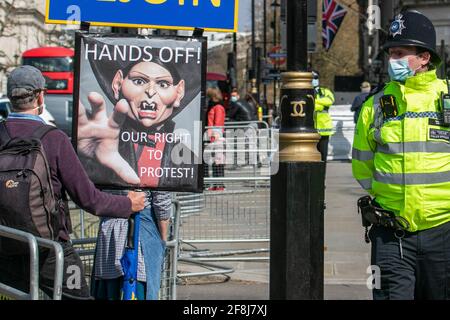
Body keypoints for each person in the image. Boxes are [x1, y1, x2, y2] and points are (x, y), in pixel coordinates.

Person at [0, 65, 146, 300]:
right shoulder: (53, 139)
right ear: (40, 96)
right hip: (50, 250)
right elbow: (90, 199)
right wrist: (128, 205)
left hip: (5, 245)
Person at [352, 10, 450, 300]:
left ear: (424, 57)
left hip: (443, 230)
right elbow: (362, 165)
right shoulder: (375, 105)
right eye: (391, 53)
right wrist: (391, 198)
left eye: (400, 53)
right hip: (389, 232)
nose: (393, 60)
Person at [78, 55, 199, 191]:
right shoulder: (103, 144)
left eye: (163, 84)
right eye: (139, 81)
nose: (150, 91)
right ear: (118, 84)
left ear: (179, 93)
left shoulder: (187, 160)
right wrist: (86, 158)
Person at [205, 87, 225, 191]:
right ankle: (216, 184)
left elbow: (217, 124)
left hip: (216, 137)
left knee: (218, 161)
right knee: (214, 161)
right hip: (212, 136)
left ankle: (220, 184)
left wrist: (213, 137)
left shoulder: (218, 107)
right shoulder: (214, 106)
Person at [312, 70, 335, 162]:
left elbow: (329, 101)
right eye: (311, 78)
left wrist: (315, 102)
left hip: (324, 128)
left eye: (315, 78)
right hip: (311, 129)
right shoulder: (305, 92)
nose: (313, 80)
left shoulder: (325, 91)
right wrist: (320, 105)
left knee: (323, 154)